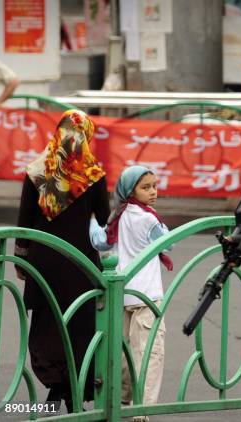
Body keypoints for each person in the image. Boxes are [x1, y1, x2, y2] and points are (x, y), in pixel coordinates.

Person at [14, 109, 110, 412]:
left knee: (47, 321)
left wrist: (21, 259)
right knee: (80, 324)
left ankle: (54, 390)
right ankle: (74, 391)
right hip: (81, 262)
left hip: (44, 261)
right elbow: (105, 218)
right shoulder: (93, 173)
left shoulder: (36, 170)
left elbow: (24, 221)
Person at [90, 165, 171, 422]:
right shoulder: (149, 218)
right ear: (130, 190)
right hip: (148, 295)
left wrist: (91, 221)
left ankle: (121, 399)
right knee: (148, 353)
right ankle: (142, 408)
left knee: (124, 352)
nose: (153, 192)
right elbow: (169, 243)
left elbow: (100, 241)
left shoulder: (119, 216)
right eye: (145, 187)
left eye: (154, 186)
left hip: (124, 294)